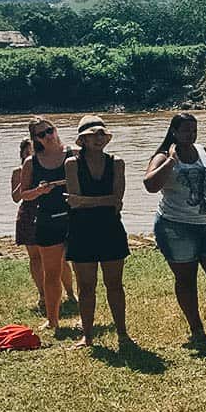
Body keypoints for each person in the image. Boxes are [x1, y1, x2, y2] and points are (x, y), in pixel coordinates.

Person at [144, 113, 206, 341]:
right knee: (187, 280)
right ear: (174, 132)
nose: (190, 134)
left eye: (194, 130)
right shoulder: (162, 157)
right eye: (186, 130)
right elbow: (150, 185)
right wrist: (171, 162)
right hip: (177, 227)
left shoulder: (204, 152)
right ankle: (197, 330)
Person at [65, 116, 130, 348]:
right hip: (82, 230)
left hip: (110, 228)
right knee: (86, 287)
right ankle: (88, 335)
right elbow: (75, 203)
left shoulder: (117, 162)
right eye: (93, 134)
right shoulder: (72, 163)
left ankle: (123, 334)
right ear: (82, 139)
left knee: (115, 284)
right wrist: (102, 200)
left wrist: (86, 200)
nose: (99, 138)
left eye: (102, 134)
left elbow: (117, 199)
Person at [14, 117, 74, 331]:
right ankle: (53, 320)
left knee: (84, 269)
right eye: (42, 134)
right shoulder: (32, 162)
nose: (48, 136)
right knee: (51, 272)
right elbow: (23, 194)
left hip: (75, 217)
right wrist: (39, 191)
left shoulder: (73, 153)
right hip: (47, 218)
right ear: (35, 139)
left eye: (50, 130)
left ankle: (85, 317)